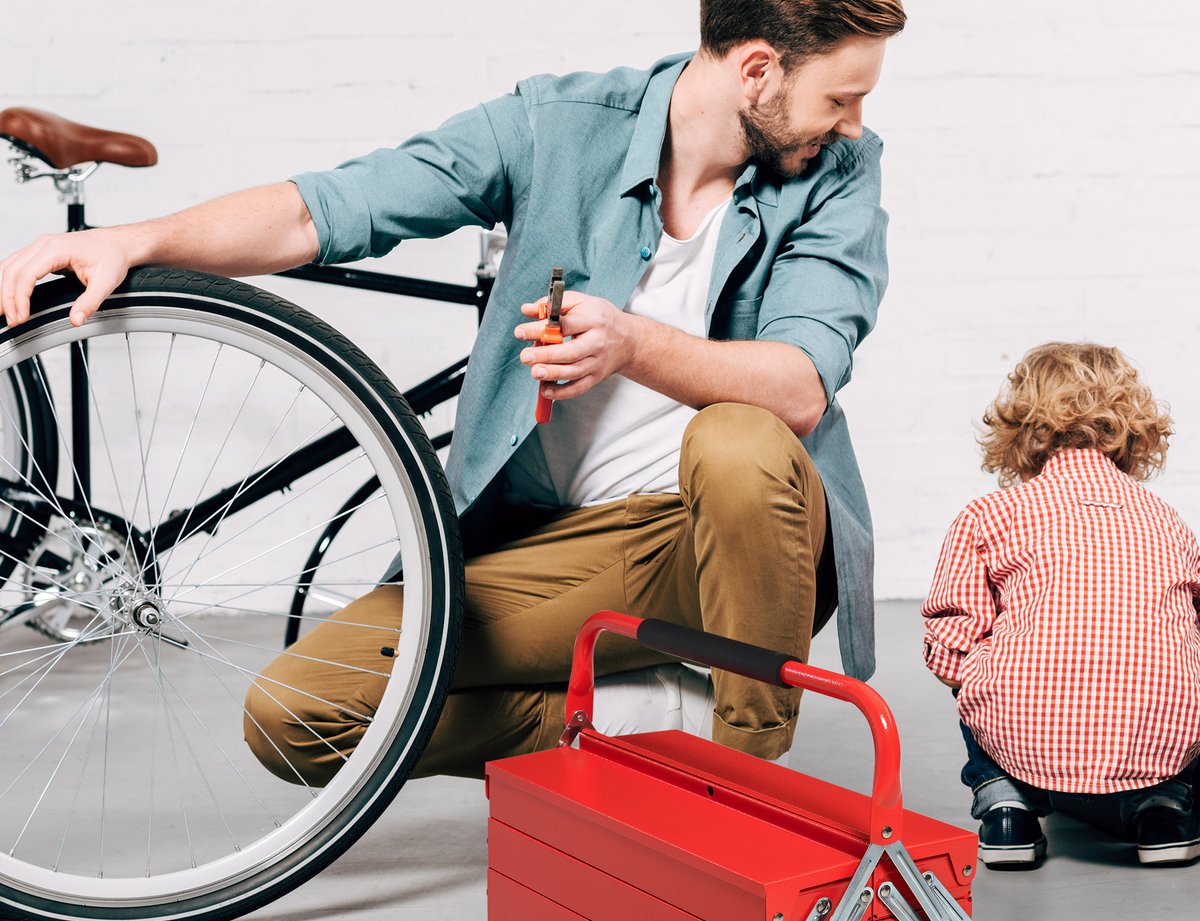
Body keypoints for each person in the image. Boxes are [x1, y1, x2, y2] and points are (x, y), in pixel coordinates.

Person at [0, 1, 907, 783]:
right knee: (296, 710)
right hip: (557, 550)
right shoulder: (556, 124)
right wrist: (137, 240)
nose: (854, 123)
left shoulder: (837, 177)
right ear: (757, 71)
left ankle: (741, 778)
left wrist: (630, 342)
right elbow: (330, 206)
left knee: (739, 439)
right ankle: (654, 721)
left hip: (721, 542)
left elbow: (797, 387)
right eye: (841, 96)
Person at [922, 343, 1200, 869]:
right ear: (1136, 429)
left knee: (973, 663)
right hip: (1165, 736)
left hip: (1021, 728)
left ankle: (1006, 803)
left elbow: (948, 652)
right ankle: (1165, 808)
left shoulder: (988, 516)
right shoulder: (1170, 521)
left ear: (1018, 427)